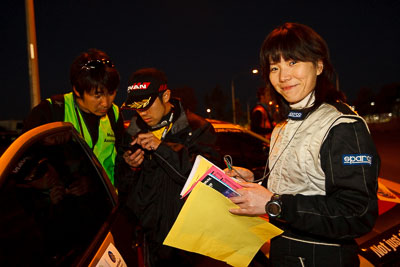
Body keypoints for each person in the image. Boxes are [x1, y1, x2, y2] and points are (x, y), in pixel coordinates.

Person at [225, 22, 380, 267]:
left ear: (318, 65)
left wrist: (273, 204)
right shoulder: (283, 126)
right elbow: (299, 182)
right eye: (274, 67)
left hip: (324, 256)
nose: (283, 76)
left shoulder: (342, 126)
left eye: (293, 62)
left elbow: (357, 213)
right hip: (282, 249)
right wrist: (253, 179)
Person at [115, 68, 221, 266]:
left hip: (190, 245)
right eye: (137, 107)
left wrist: (161, 148)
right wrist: (129, 167)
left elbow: (206, 177)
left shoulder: (197, 128)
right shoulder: (131, 133)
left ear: (165, 95)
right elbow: (124, 190)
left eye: (146, 105)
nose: (142, 112)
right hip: (148, 241)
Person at [22, 48, 124, 185]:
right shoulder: (51, 110)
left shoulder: (115, 113)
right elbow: (20, 165)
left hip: (108, 202)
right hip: (64, 202)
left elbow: (121, 163)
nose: (106, 103)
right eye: (97, 95)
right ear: (77, 89)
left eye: (111, 93)